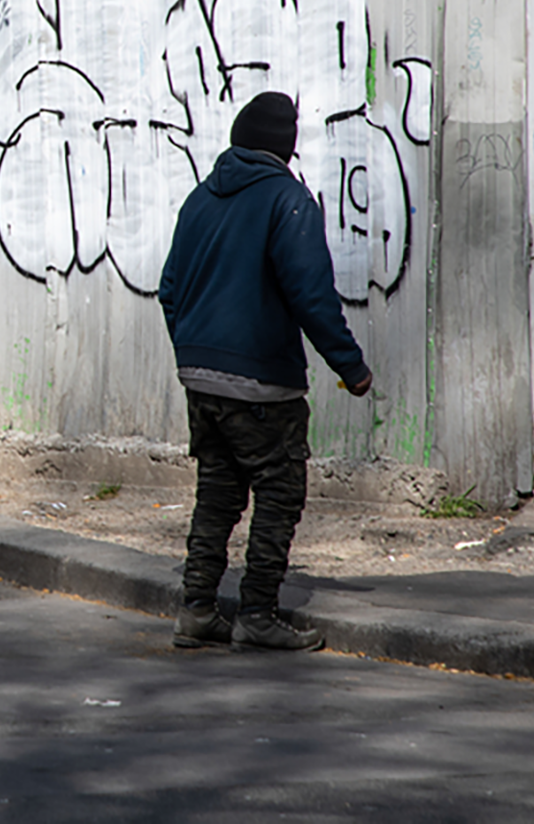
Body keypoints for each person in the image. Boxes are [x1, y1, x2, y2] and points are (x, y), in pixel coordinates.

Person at [157, 92, 374, 652]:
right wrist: (350, 367)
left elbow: (170, 289)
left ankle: (197, 608)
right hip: (261, 381)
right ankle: (257, 612)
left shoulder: (200, 199)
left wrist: (193, 349)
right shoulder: (288, 200)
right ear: (285, 146)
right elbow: (311, 296)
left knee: (218, 493)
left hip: (200, 377)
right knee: (279, 491)